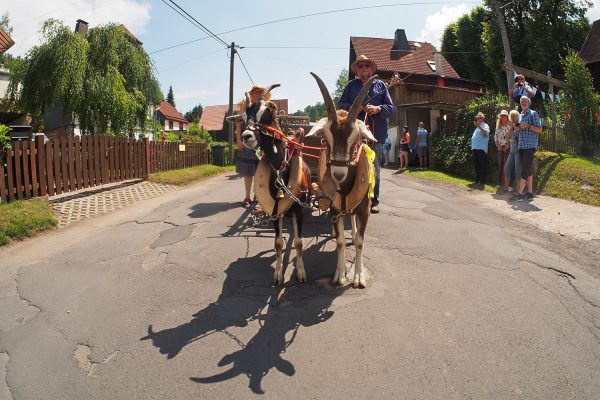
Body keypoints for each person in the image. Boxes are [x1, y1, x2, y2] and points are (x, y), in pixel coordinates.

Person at [338, 55, 394, 214]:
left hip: (375, 136)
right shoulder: (350, 86)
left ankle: (373, 200)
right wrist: (357, 108)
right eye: (361, 66)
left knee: (373, 168)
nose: (364, 68)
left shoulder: (381, 85)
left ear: (371, 69)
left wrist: (378, 109)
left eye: (366, 66)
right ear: (356, 70)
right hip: (354, 136)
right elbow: (341, 106)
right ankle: (351, 198)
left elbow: (391, 108)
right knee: (351, 167)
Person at [236, 85, 271, 207]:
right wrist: (239, 140)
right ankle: (247, 197)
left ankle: (257, 195)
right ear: (251, 93)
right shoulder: (246, 105)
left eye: (261, 92)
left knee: (259, 170)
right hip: (247, 140)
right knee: (247, 171)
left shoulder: (265, 106)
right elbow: (239, 123)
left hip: (261, 141)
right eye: (256, 91)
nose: (259, 93)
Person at [510, 96, 542, 201]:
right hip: (521, 145)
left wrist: (528, 126)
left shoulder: (533, 114)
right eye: (521, 101)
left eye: (525, 101)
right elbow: (519, 131)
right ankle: (529, 192)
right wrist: (517, 128)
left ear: (529, 103)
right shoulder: (520, 115)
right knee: (527, 170)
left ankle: (519, 193)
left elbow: (539, 129)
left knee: (524, 169)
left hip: (529, 145)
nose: (523, 102)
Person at [503, 110, 522, 193]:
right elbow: (506, 137)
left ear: (517, 117)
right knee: (507, 168)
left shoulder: (519, 125)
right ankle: (506, 188)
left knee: (518, 170)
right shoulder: (511, 126)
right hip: (512, 151)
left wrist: (516, 128)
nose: (513, 117)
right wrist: (511, 128)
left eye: (514, 116)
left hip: (518, 151)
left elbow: (520, 137)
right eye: (512, 116)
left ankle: (517, 190)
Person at [470, 111, 490, 186]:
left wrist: (479, 126)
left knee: (482, 165)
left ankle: (482, 181)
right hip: (475, 148)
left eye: (479, 118)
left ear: (483, 118)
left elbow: (485, 134)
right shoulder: (477, 127)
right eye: (477, 118)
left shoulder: (485, 125)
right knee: (477, 165)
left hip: (481, 149)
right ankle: (477, 180)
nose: (478, 119)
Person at [494, 110, 511, 191]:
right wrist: (499, 146)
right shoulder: (498, 126)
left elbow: (512, 137)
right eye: (502, 116)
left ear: (507, 117)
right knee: (500, 165)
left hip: (508, 148)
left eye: (504, 116)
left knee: (508, 166)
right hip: (500, 148)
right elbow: (495, 138)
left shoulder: (510, 126)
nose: (503, 117)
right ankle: (499, 184)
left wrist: (507, 146)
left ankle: (509, 185)